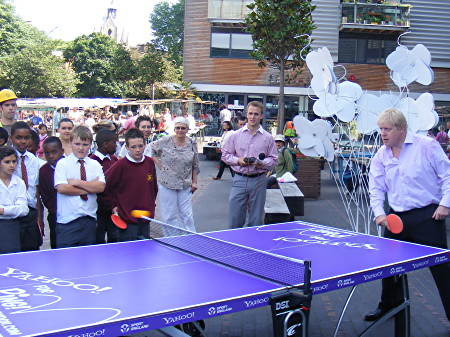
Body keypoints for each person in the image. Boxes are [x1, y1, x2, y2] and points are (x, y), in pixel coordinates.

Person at [366, 108, 450, 322]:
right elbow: (375, 187)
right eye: (381, 129)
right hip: (397, 220)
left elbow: (447, 175)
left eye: (387, 129)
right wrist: (379, 213)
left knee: (442, 269)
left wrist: (445, 205)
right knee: (389, 267)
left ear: (402, 128)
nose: (383, 134)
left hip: (428, 218)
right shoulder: (381, 155)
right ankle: (388, 307)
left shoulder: (427, 146)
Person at [221, 101, 278, 228]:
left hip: (259, 179)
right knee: (235, 218)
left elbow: (274, 159)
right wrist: (238, 160)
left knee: (256, 220)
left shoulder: (268, 138)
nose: (252, 117)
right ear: (246, 114)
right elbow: (225, 155)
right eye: (250, 113)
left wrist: (262, 163)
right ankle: (235, 245)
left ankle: (253, 244)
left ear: (261, 116)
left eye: (256, 114)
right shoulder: (235, 135)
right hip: (239, 179)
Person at [54, 126, 105, 248]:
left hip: (89, 220)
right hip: (67, 222)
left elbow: (100, 188)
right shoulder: (62, 164)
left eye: (85, 144)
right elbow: (62, 188)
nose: (81, 148)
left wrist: (76, 182)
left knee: (87, 259)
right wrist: (89, 187)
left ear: (90, 145)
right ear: (71, 143)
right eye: (77, 144)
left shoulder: (95, 165)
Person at [106, 129, 158, 241]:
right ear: (127, 147)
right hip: (127, 222)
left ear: (145, 145)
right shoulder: (120, 165)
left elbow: (153, 187)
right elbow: (105, 186)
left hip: (145, 220)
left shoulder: (149, 162)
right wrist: (113, 205)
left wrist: (151, 204)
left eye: (140, 146)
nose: (138, 150)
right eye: (133, 147)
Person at [151, 117, 200, 232]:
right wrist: (160, 164)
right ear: (174, 128)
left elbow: (195, 163)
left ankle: (189, 238)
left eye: (183, 128)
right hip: (167, 184)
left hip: (185, 184)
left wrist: (195, 181)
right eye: (177, 128)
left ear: (187, 129)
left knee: (186, 215)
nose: (180, 130)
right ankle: (171, 239)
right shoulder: (165, 141)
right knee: (169, 215)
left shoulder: (192, 143)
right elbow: (152, 149)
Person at [10, 122, 42, 251]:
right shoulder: (6, 158)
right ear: (11, 138)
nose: (23, 141)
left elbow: (36, 189)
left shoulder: (34, 161)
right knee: (13, 249)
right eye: (18, 137)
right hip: (13, 212)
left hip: (31, 211)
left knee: (31, 249)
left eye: (26, 138)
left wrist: (39, 217)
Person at [89, 129, 119, 243]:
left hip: (113, 210)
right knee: (98, 239)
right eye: (114, 142)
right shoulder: (92, 161)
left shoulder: (114, 160)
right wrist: (110, 204)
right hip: (98, 210)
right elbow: (98, 187)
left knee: (114, 238)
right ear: (105, 144)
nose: (116, 146)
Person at [0, 146, 28, 254]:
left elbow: (23, 209)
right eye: (7, 162)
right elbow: (17, 208)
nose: (12, 165)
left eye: (14, 161)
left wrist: (2, 210)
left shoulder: (19, 182)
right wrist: (13, 209)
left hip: (12, 226)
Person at [39, 137, 64, 249]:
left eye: (54, 152)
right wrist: (54, 209)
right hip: (54, 213)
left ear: (62, 151)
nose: (50, 156)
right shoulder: (43, 170)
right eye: (47, 153)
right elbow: (44, 194)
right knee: (55, 243)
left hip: (71, 211)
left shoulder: (68, 165)